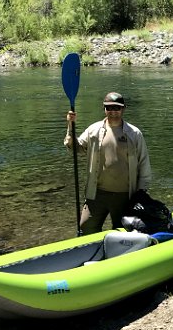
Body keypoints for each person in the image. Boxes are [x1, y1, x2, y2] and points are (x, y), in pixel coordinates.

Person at [65, 91, 152, 234]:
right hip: (97, 193)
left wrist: (141, 193)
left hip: (125, 195)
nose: (113, 111)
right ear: (104, 109)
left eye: (116, 108)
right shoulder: (94, 130)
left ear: (123, 109)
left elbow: (144, 164)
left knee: (123, 232)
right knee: (86, 227)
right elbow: (76, 148)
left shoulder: (134, 134)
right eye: (109, 107)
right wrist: (70, 125)